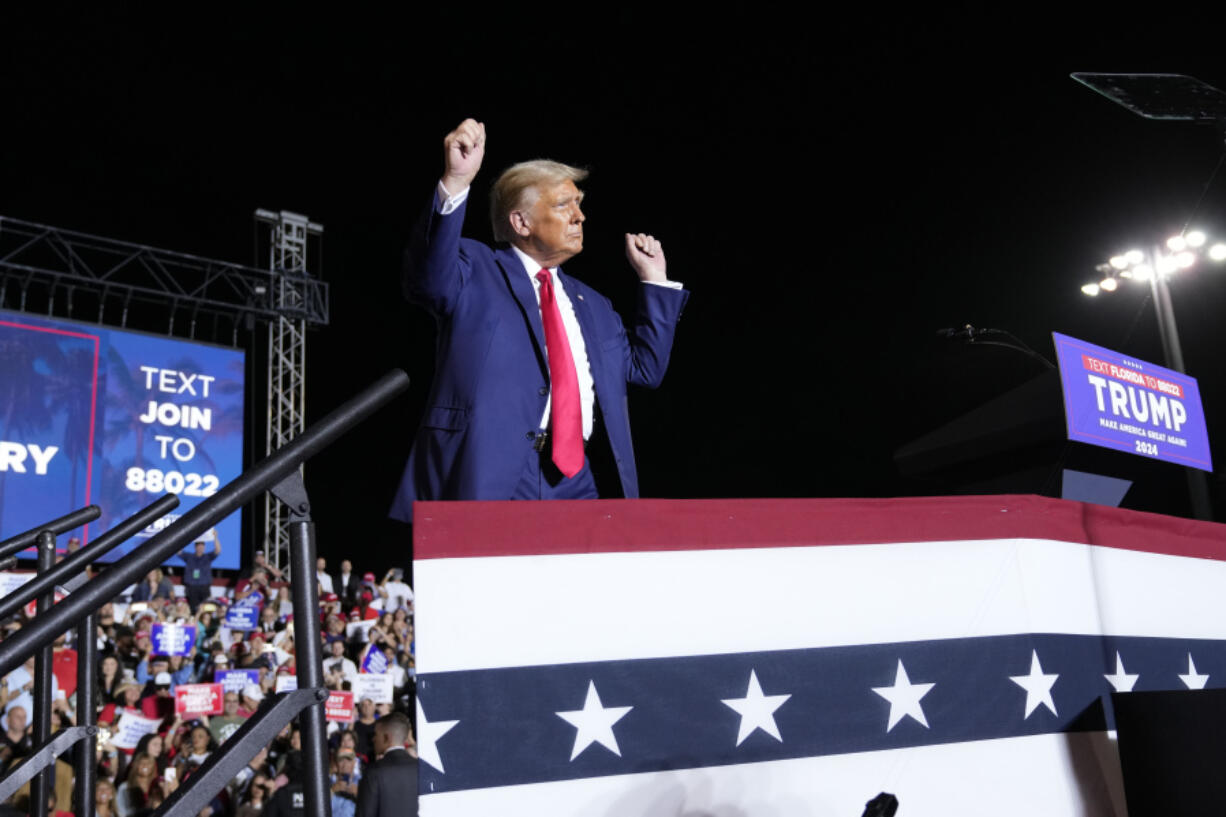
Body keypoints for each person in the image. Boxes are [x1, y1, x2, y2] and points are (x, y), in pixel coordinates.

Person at [389, 119, 689, 522]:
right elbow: (429, 280)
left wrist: (655, 282)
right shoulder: (476, 269)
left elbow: (645, 369)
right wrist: (456, 182)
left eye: (580, 204)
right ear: (521, 222)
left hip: (579, 480)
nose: (580, 217)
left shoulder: (595, 305)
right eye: (564, 205)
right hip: (492, 473)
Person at [355, 712, 417, 817]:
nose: (373, 739)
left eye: (375, 734)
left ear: (387, 738)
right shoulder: (422, 770)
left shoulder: (373, 772)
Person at [180, 528, 221, 611]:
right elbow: (179, 551)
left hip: (204, 587)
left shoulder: (207, 557)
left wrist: (215, 537)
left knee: (206, 608)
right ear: (195, 547)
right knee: (193, 608)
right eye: (198, 545)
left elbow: (218, 551)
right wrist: (181, 536)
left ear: (204, 547)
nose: (200, 548)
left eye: (202, 546)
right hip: (191, 587)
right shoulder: (189, 557)